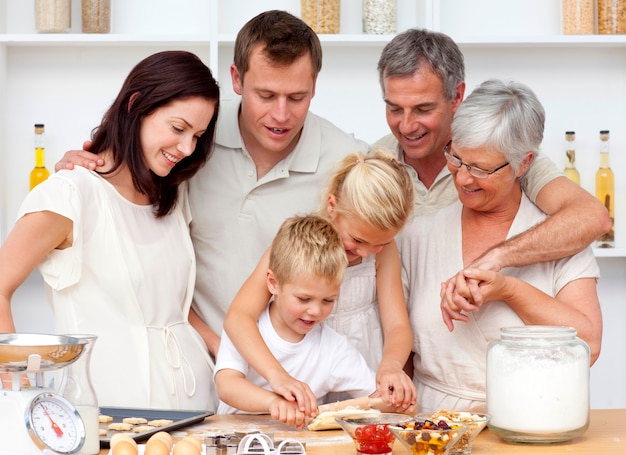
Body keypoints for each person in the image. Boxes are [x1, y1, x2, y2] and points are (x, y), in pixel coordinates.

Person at [53, 10, 369, 366]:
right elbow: (130, 207)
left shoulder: (349, 164)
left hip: (298, 379)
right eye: (265, 95)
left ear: (314, 85)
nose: (281, 115)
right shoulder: (192, 143)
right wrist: (85, 169)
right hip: (197, 365)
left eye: (297, 97)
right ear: (236, 79)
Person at [0, 51, 221, 410]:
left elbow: (166, 304)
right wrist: (17, 386)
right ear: (136, 105)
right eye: (178, 128)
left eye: (197, 135)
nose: (186, 148)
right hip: (107, 417)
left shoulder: (172, 196)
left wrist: (220, 349)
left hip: (196, 409)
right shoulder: (71, 193)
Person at [398, 79, 603, 412]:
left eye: (480, 168)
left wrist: (509, 289)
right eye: (456, 158)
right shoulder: (417, 236)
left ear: (524, 163)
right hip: (434, 430)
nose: (463, 178)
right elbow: (399, 352)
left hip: (534, 419)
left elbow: (588, 345)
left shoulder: (558, 238)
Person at [374, 29, 610, 283]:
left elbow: (592, 217)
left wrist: (497, 256)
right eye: (394, 108)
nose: (407, 126)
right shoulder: (376, 163)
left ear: (456, 96)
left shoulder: (507, 158)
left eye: (423, 109)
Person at [224, 149, 417, 414]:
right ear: (332, 207)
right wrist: (277, 376)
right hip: (299, 371)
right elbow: (239, 316)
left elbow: (397, 324)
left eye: (380, 244)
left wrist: (392, 365)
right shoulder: (295, 248)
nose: (365, 252)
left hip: (360, 368)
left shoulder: (385, 252)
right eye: (358, 240)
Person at [215, 215, 390, 429]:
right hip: (233, 445)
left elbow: (377, 399)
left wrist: (397, 397)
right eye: (303, 299)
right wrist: (272, 402)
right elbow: (227, 385)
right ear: (273, 283)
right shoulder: (247, 331)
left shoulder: (333, 349)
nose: (315, 311)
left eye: (328, 300)